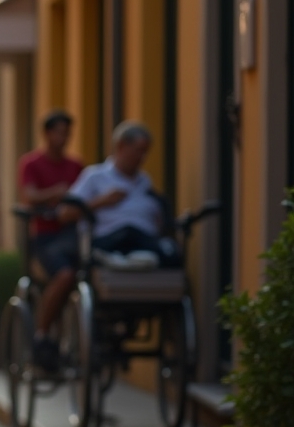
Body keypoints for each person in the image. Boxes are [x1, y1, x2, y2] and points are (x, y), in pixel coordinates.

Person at [18, 111, 84, 372]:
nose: (64, 137)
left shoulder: (76, 166)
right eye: (59, 131)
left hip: (74, 236)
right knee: (65, 275)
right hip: (46, 238)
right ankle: (42, 335)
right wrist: (56, 193)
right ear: (46, 134)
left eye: (67, 132)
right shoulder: (31, 164)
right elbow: (29, 195)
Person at [65, 121, 178, 264]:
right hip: (110, 239)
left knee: (172, 254)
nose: (142, 157)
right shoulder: (94, 176)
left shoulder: (145, 181)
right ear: (121, 146)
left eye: (145, 152)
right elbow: (65, 213)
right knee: (128, 233)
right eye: (138, 150)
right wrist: (101, 201)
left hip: (145, 240)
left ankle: (139, 259)